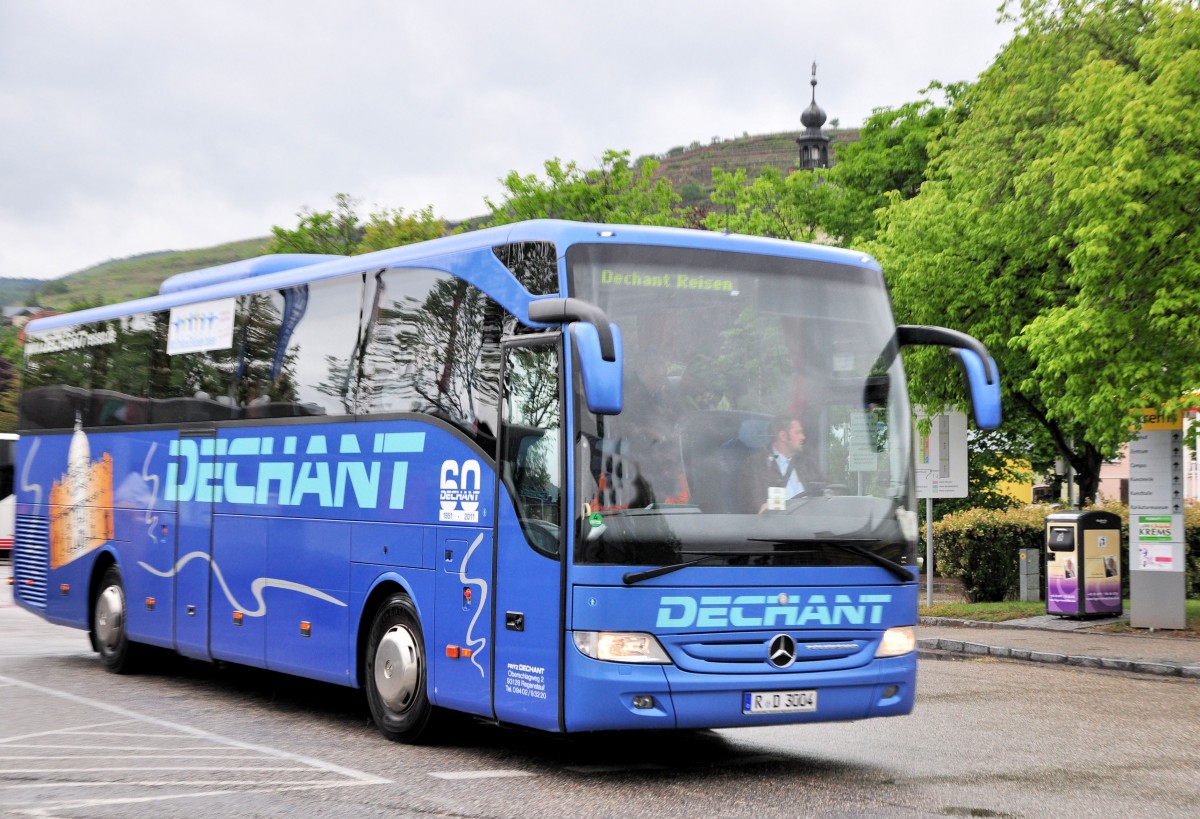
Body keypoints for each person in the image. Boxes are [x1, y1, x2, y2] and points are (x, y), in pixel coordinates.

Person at [741, 415, 818, 513]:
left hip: (812, 525)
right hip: (776, 526)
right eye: (798, 433)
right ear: (783, 436)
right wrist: (763, 508)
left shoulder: (807, 463)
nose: (803, 437)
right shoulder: (755, 465)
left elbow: (827, 490)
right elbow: (753, 502)